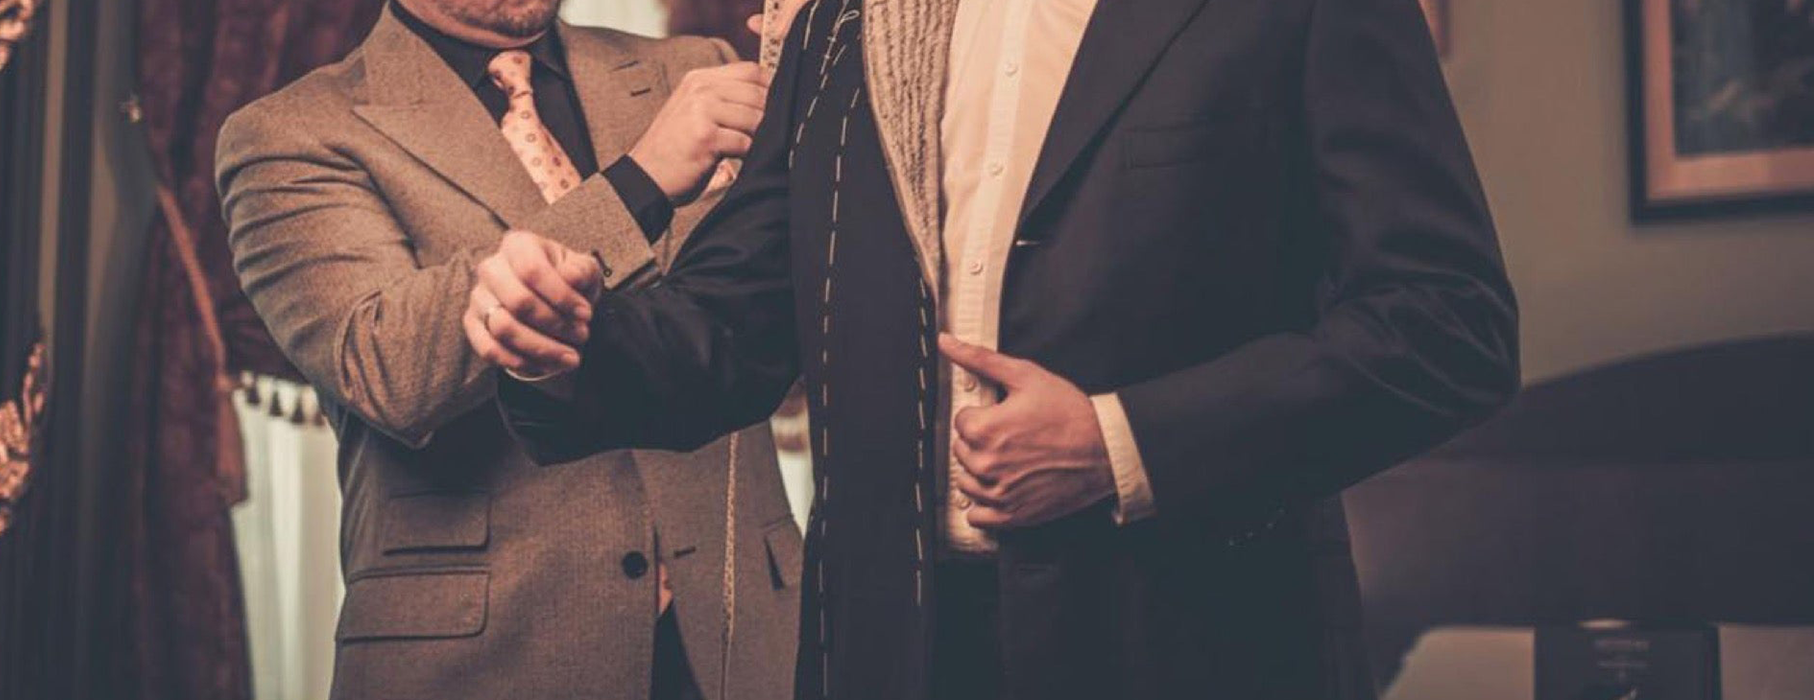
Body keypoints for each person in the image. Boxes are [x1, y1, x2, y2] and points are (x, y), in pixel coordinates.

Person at [472, 0, 1521, 698]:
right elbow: (732, 324)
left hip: (1189, 640)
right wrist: (565, 341)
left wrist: (1121, 446)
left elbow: (1447, 322)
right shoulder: (847, 22)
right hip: (892, 653)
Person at [214, 1, 805, 698]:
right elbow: (385, 368)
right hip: (485, 661)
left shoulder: (698, 70)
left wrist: (829, 76)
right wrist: (639, 183)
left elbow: (788, 316)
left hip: (746, 642)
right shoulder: (290, 133)